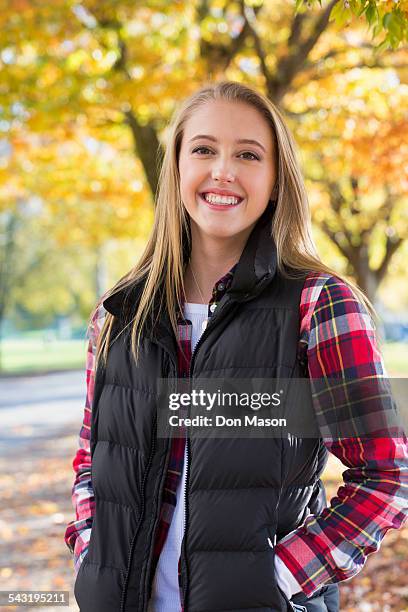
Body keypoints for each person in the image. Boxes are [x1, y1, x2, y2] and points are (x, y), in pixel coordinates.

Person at [65, 80, 408, 612]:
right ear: (177, 167)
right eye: (203, 149)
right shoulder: (117, 316)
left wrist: (275, 579)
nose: (223, 170)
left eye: (248, 155)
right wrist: (91, 552)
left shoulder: (319, 306)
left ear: (276, 180)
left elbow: (385, 476)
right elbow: (91, 459)